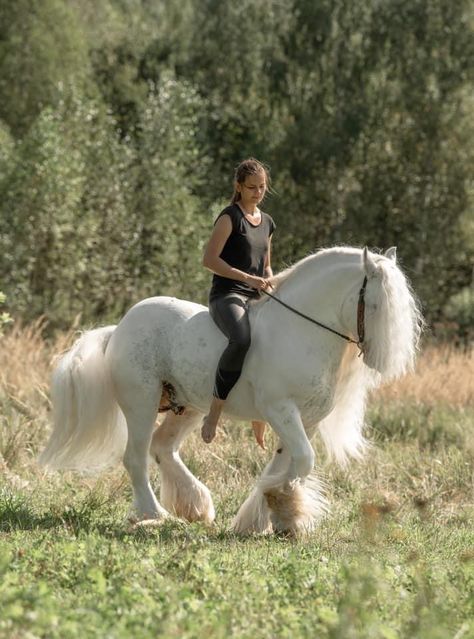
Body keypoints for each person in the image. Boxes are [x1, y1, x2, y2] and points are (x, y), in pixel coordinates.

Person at [201, 158, 276, 447]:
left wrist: (270, 284)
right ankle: (214, 412)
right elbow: (209, 260)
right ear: (239, 187)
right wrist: (248, 278)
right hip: (227, 295)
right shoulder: (229, 217)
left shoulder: (267, 222)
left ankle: (260, 414)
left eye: (262, 187)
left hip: (256, 296)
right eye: (252, 188)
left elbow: (266, 265)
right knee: (241, 339)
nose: (258, 193)